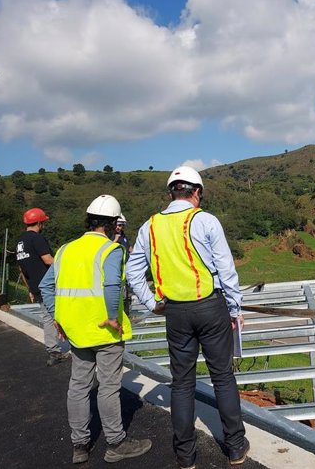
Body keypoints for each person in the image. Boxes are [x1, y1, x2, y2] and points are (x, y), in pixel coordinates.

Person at [126, 165, 249, 469]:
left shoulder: (150, 226)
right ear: (196, 193)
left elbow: (133, 271)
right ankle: (235, 448)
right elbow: (226, 270)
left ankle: (185, 456)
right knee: (222, 377)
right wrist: (236, 309)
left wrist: (153, 303)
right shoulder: (205, 220)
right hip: (211, 307)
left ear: (171, 193)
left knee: (181, 384)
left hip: (175, 312)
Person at [39, 194, 152, 465]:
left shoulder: (66, 249)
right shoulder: (111, 250)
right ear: (113, 223)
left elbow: (45, 287)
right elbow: (112, 286)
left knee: (78, 386)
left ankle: (80, 446)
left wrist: (57, 318)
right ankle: (115, 443)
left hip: (75, 331)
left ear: (89, 221)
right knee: (108, 387)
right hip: (104, 331)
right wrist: (113, 316)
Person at [16, 207, 69, 367]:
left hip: (35, 286)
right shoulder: (36, 238)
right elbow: (48, 260)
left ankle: (54, 350)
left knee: (48, 317)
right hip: (49, 285)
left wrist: (30, 289)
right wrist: (68, 266)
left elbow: (22, 268)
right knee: (56, 315)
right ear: (39, 223)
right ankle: (56, 350)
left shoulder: (20, 242)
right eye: (43, 222)